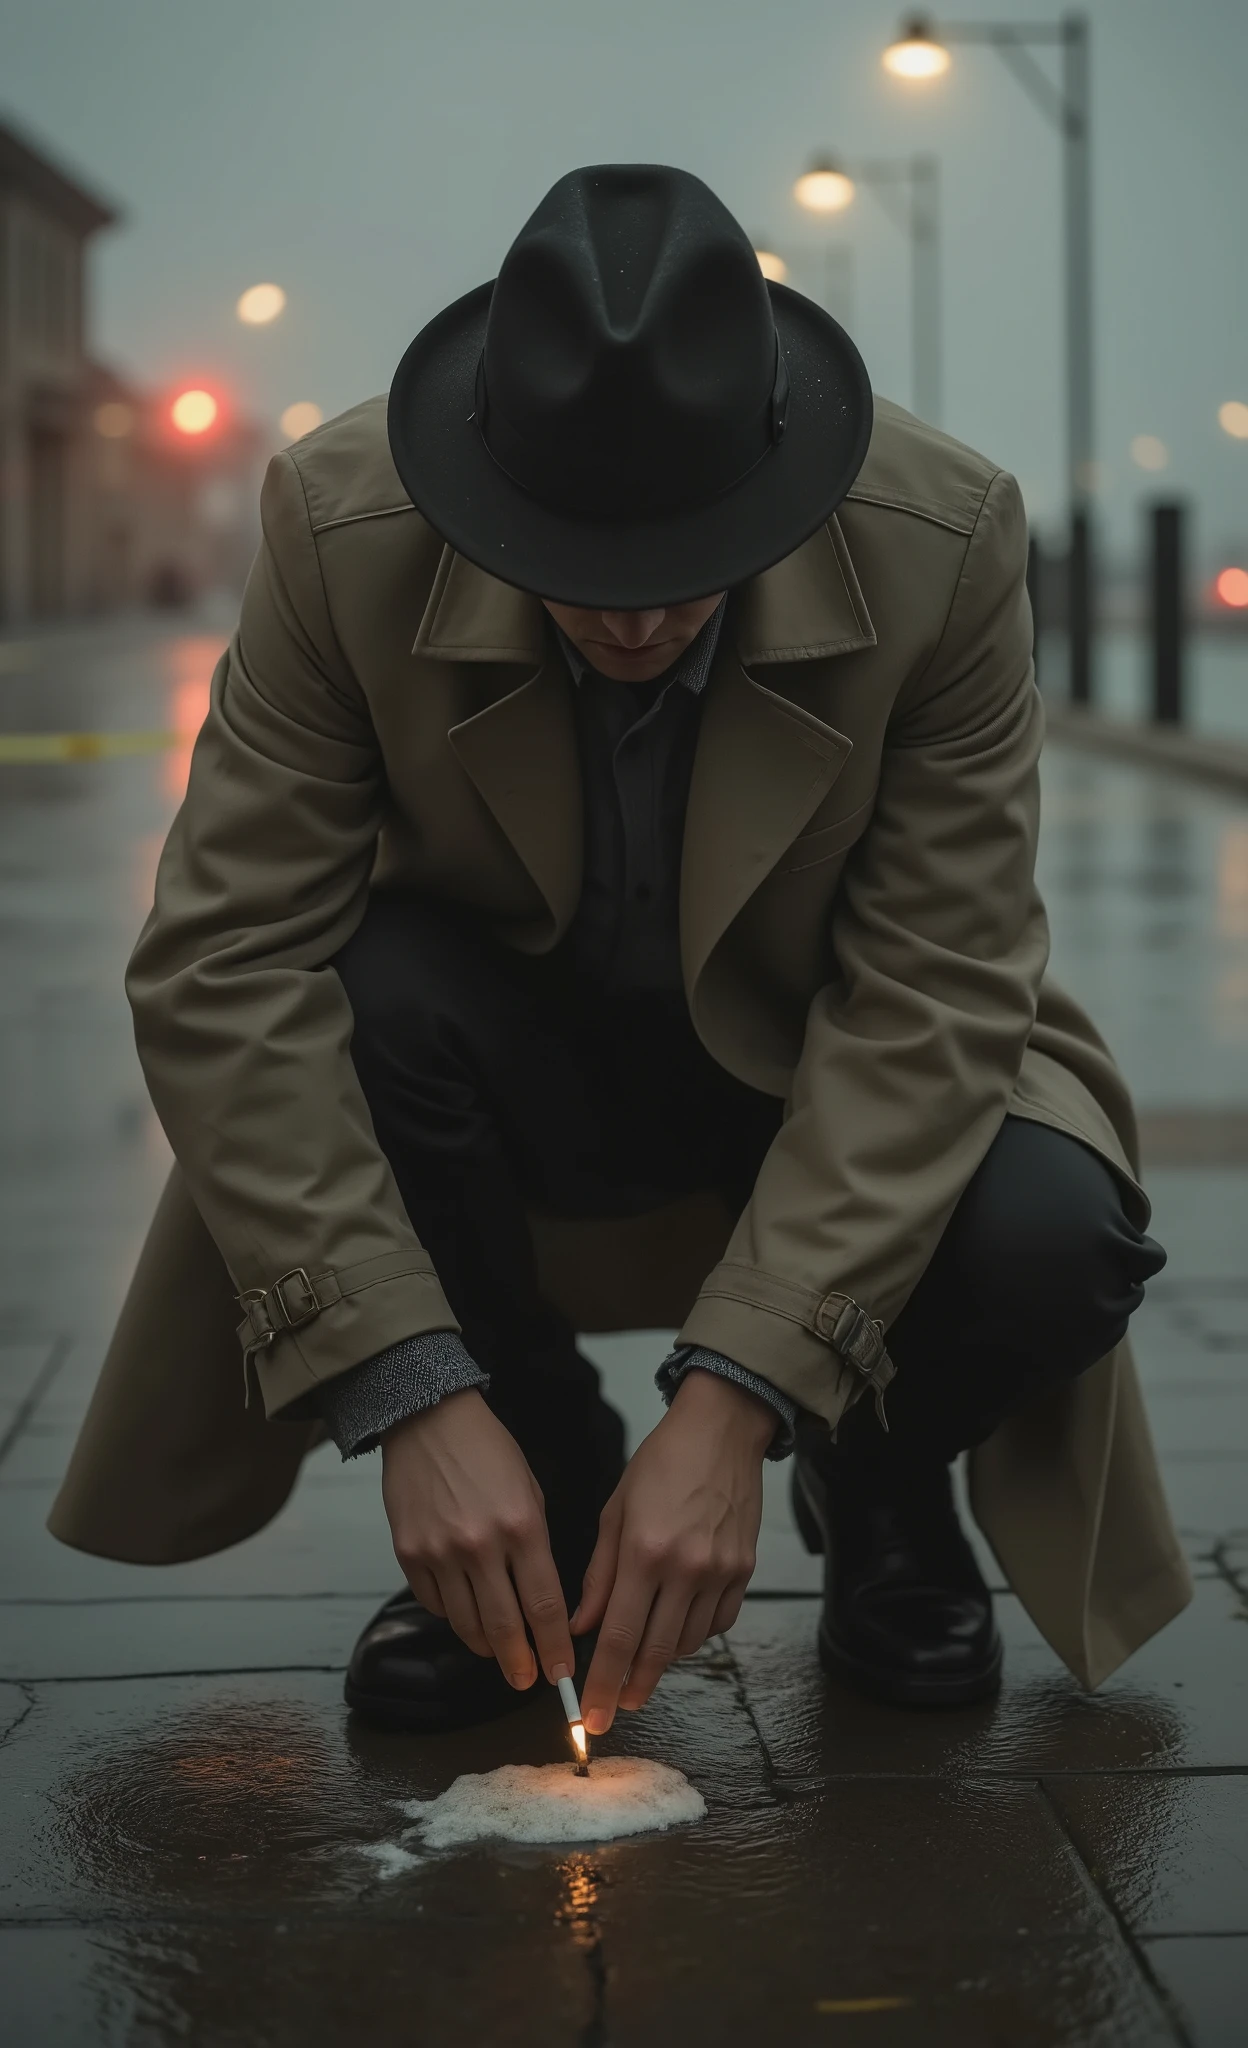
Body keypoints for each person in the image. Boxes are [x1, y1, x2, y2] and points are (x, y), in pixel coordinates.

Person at [49, 164, 1190, 1735]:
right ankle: (546, 1500)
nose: (635, 621)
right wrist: (415, 1401)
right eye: (576, 565)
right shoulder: (340, 528)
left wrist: (744, 1405)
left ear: (778, 481)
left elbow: (937, 987)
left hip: (818, 1067)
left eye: (683, 564)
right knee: (360, 993)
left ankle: (876, 1486)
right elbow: (220, 963)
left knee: (1056, 1233)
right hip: (508, 1072)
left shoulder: (944, 540)